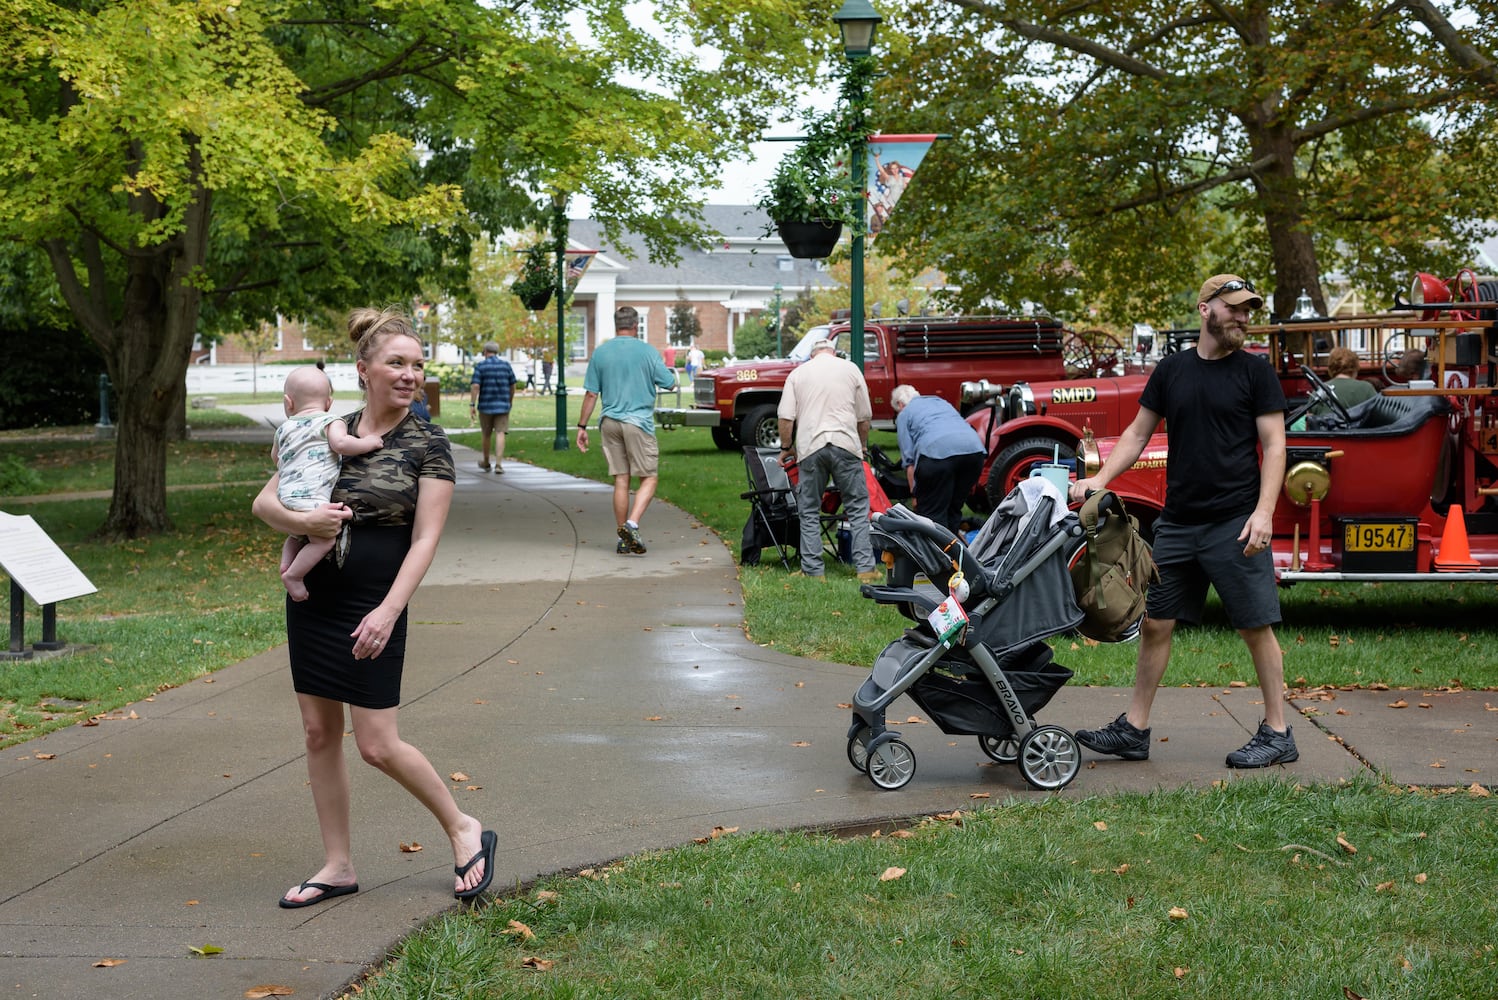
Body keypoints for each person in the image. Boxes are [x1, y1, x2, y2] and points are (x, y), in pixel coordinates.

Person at [252, 308, 496, 909]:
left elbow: (425, 539)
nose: (410, 374)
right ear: (364, 371)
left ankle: (463, 827)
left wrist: (389, 610)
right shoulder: (324, 426)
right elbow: (266, 501)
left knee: (376, 742)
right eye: (397, 363)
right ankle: (337, 865)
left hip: (373, 600)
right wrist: (302, 520)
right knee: (317, 733)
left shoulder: (428, 442)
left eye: (417, 364)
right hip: (316, 599)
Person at [1068, 274, 1297, 769]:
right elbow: (1135, 433)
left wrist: (1264, 512)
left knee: (1255, 626)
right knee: (1155, 623)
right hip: (1178, 523)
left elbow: (1276, 446)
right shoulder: (1172, 371)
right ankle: (1135, 729)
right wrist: (1100, 479)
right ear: (1204, 309)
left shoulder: (1256, 373)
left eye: (1247, 309)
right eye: (1233, 307)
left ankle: (1279, 732)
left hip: (1234, 522)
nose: (1242, 316)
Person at [273, 367, 385, 602]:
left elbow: (276, 457)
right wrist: (368, 442)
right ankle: (294, 575)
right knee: (323, 540)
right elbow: (342, 444)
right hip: (312, 498)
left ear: (288, 402)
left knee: (297, 536)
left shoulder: (284, 428)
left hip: (285, 496)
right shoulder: (331, 421)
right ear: (329, 402)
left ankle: (286, 563)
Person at [776, 339, 881, 583]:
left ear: (812, 355)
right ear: (833, 353)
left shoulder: (798, 373)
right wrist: (862, 446)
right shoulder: (851, 369)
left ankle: (814, 571)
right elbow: (864, 416)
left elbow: (785, 417)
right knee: (857, 507)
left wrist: (785, 448)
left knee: (809, 509)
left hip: (811, 447)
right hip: (846, 444)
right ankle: (866, 568)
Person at [576, 306, 678, 554]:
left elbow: (591, 393)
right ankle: (631, 525)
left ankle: (623, 538)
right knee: (649, 477)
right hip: (638, 422)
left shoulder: (600, 353)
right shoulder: (647, 352)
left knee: (622, 479)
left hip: (609, 422)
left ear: (616, 325)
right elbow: (670, 383)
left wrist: (581, 426)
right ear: (635, 326)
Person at [890, 384, 985, 535]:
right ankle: (955, 555)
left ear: (900, 404)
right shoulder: (940, 402)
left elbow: (909, 462)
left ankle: (936, 555)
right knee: (953, 510)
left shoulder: (905, 413)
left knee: (932, 514)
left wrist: (914, 495)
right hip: (974, 452)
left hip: (936, 455)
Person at [469, 342, 517, 473]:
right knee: (500, 433)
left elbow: (475, 386)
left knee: (486, 434)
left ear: (485, 351)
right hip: (503, 405)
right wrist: (510, 400)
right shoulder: (506, 366)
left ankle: (486, 461)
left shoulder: (481, 366)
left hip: (485, 406)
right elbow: (513, 385)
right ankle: (499, 464)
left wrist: (472, 404)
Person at [1312, 346, 1375, 414]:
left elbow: (1309, 420)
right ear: (1355, 367)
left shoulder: (1318, 391)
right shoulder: (1366, 388)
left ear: (1330, 367)